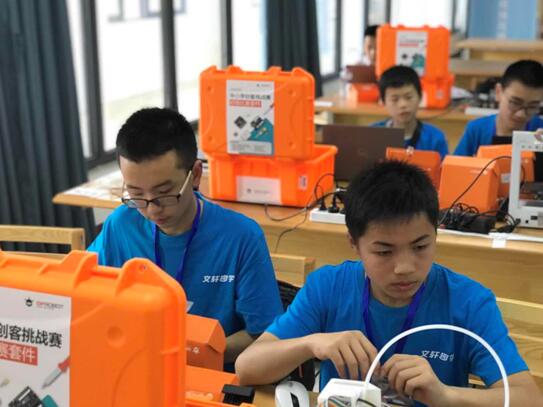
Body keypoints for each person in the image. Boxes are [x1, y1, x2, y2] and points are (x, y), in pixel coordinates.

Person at [235, 161, 542, 406]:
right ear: (354, 243)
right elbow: (247, 368)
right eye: (384, 252)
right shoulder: (328, 287)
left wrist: (446, 396)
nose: (404, 268)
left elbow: (528, 398)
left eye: (420, 246)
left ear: (436, 234)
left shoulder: (468, 302)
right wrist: (311, 343)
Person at [88, 108, 283, 365]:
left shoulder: (241, 237)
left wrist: (190, 354)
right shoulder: (121, 225)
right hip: (136, 367)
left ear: (196, 175)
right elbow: (87, 298)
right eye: (136, 194)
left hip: (210, 375)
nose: (152, 209)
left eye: (164, 192)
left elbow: (263, 335)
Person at [454, 59, 543, 157]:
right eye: (515, 103)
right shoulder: (476, 131)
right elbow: (454, 165)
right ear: (498, 92)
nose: (521, 114)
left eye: (532, 106)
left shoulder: (540, 130)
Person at [373, 65, 449, 159]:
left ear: (420, 97)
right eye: (394, 99)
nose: (403, 105)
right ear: (383, 102)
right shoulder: (373, 134)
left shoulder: (435, 138)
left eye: (408, 97)